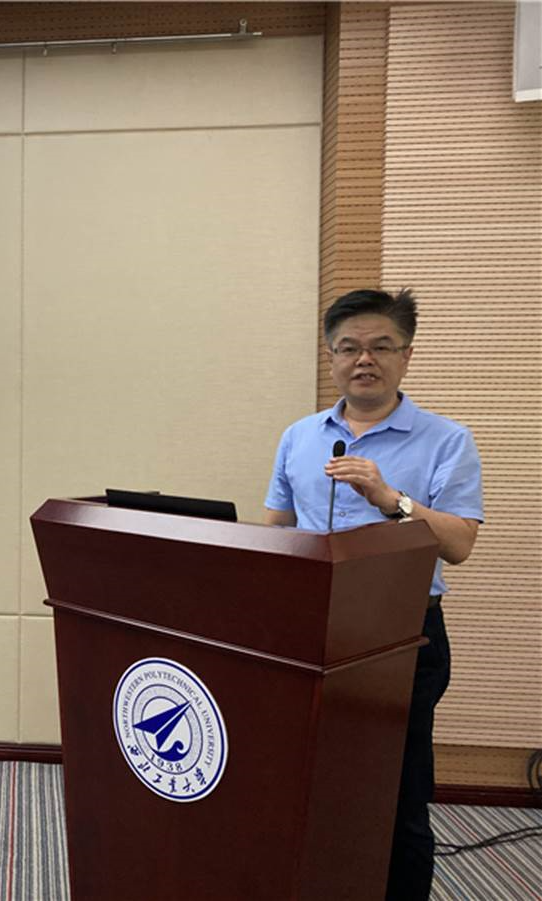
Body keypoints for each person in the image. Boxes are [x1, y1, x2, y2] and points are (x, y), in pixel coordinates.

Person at [262, 288, 483, 901]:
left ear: (405, 355)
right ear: (331, 355)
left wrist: (392, 501)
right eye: (349, 347)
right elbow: (277, 530)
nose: (365, 359)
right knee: (309, 783)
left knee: (397, 794)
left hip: (402, 635)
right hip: (310, 630)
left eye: (382, 346)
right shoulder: (299, 436)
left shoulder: (447, 440)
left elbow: (460, 545)